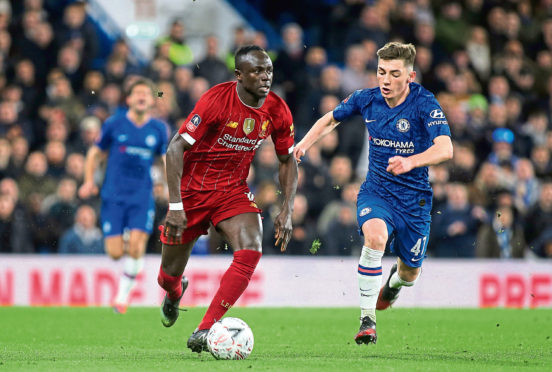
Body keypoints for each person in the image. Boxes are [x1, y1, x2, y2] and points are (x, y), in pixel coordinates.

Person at [294, 42, 453, 345]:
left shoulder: (425, 103)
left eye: (395, 74)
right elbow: (330, 119)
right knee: (375, 238)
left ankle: (392, 285)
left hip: (415, 201)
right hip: (376, 192)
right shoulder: (366, 99)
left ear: (410, 76)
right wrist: (303, 144)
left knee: (409, 275)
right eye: (381, 72)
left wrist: (411, 161)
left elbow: (446, 148)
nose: (386, 80)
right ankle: (367, 319)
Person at [158, 45, 297, 353]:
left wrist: (287, 209)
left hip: (231, 190)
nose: (265, 77)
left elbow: (287, 159)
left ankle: (205, 329)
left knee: (251, 250)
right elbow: (175, 148)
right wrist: (176, 205)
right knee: (167, 276)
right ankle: (174, 292)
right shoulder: (215, 100)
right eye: (257, 72)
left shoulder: (277, 109)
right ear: (239, 75)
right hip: (192, 191)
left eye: (269, 71)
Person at [78, 78, 168, 314]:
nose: (141, 97)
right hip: (113, 196)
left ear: (151, 101)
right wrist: (88, 181)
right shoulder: (114, 123)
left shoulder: (158, 129)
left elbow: (166, 160)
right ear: (128, 99)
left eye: (146, 94)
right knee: (116, 253)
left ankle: (122, 296)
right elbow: (94, 153)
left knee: (137, 249)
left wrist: (170, 187)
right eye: (136, 93)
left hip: (141, 197)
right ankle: (127, 243)